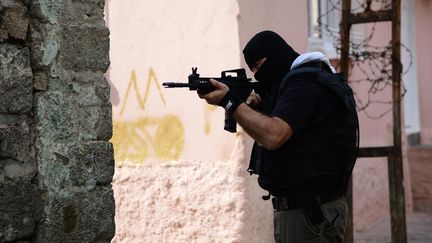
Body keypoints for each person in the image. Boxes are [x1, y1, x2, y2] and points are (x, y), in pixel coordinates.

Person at [198, 30, 358, 243]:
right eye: (251, 69)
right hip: (318, 207)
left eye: (258, 66)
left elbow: (274, 135)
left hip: (308, 213)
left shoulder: (304, 85)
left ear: (276, 55)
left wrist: (230, 102)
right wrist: (262, 104)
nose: (256, 75)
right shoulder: (316, 79)